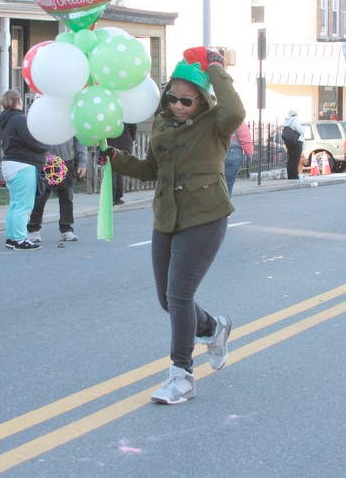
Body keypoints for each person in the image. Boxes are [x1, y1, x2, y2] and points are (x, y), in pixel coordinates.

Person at [103, 46, 243, 405]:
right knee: (167, 299)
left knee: (180, 295)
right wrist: (117, 159)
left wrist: (215, 68)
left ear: (202, 101)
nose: (179, 105)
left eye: (187, 100)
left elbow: (235, 109)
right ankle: (214, 328)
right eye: (174, 98)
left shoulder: (216, 124)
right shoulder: (164, 123)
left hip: (204, 216)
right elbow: (151, 170)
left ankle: (181, 376)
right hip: (167, 216)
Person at [0, 89, 46, 250]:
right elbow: (33, 141)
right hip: (23, 164)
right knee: (24, 206)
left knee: (15, 204)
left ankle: (12, 237)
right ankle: (19, 238)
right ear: (18, 102)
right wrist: (46, 144)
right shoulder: (19, 120)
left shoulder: (5, 120)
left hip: (10, 163)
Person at [27, 137, 87, 244]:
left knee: (67, 197)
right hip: (45, 160)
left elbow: (80, 140)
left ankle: (66, 229)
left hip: (67, 161)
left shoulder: (72, 121)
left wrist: (82, 161)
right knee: (40, 198)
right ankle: (33, 229)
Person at [106, 123, 137, 205]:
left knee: (112, 170)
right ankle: (118, 196)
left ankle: (112, 196)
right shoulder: (127, 113)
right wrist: (132, 137)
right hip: (125, 142)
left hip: (111, 142)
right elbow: (133, 126)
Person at [224, 121, 254, 196]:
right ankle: (224, 205)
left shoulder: (217, 118)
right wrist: (249, 155)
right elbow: (245, 139)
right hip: (233, 152)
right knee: (228, 184)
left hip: (218, 150)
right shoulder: (238, 120)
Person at [282, 109, 304, 180]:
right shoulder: (295, 121)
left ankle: (290, 174)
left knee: (291, 158)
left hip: (289, 142)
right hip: (296, 142)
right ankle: (294, 175)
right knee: (295, 159)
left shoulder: (286, 121)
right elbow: (301, 130)